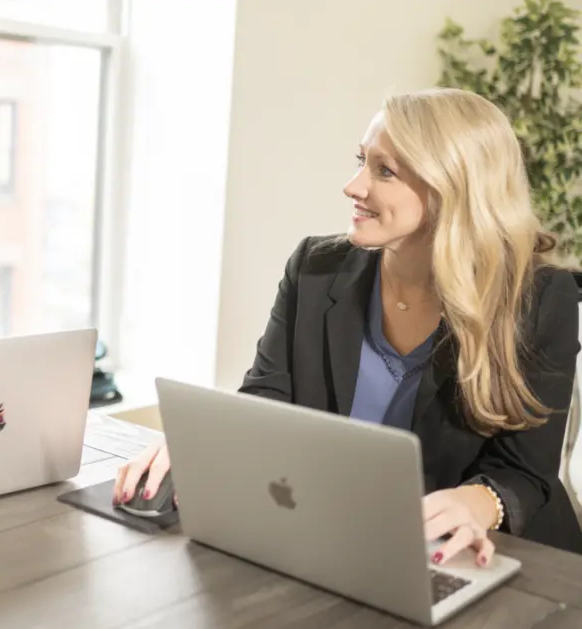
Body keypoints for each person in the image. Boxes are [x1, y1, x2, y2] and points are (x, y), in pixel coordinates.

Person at [115, 88, 582, 560]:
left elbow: (525, 472)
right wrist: (206, 443)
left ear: (452, 188)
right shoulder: (316, 267)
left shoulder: (540, 299)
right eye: (361, 160)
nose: (353, 186)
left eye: (384, 171)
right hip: (344, 538)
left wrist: (478, 502)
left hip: (497, 559)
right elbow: (267, 398)